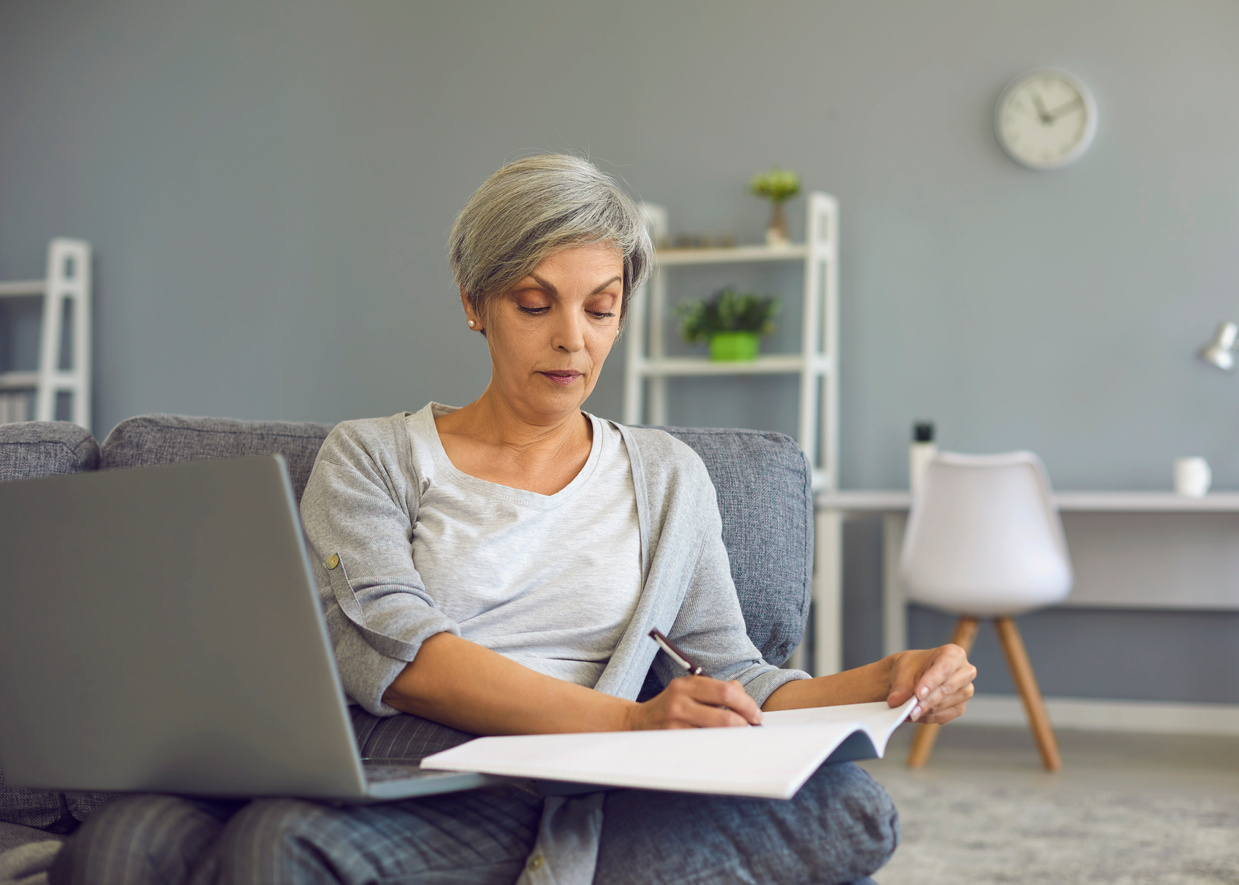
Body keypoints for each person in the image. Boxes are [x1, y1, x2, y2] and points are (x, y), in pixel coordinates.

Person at [51, 154, 975, 885]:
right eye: (534, 303)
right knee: (119, 841)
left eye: (600, 307)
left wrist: (882, 677)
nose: (572, 336)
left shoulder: (664, 476)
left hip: (544, 781)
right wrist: (631, 722)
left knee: (280, 844)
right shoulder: (373, 454)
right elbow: (400, 656)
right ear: (473, 303)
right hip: (395, 761)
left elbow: (729, 671)